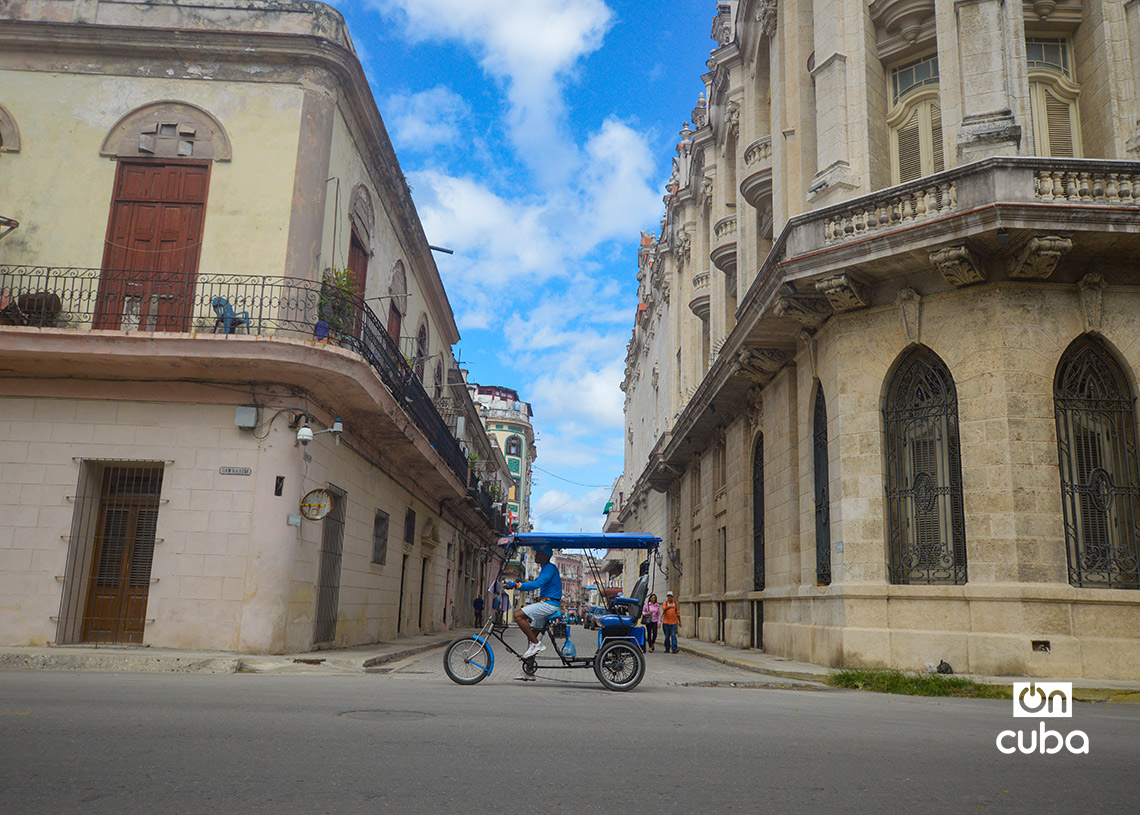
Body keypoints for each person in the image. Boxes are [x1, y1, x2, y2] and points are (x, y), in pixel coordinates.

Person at [503, 544, 562, 667]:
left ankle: (536, 644)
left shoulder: (549, 568)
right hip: (546, 603)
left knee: (518, 615)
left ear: (545, 555)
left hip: (550, 604)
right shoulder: (545, 568)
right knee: (531, 637)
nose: (536, 555)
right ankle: (529, 670)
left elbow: (537, 584)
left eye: (538, 553)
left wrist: (517, 585)